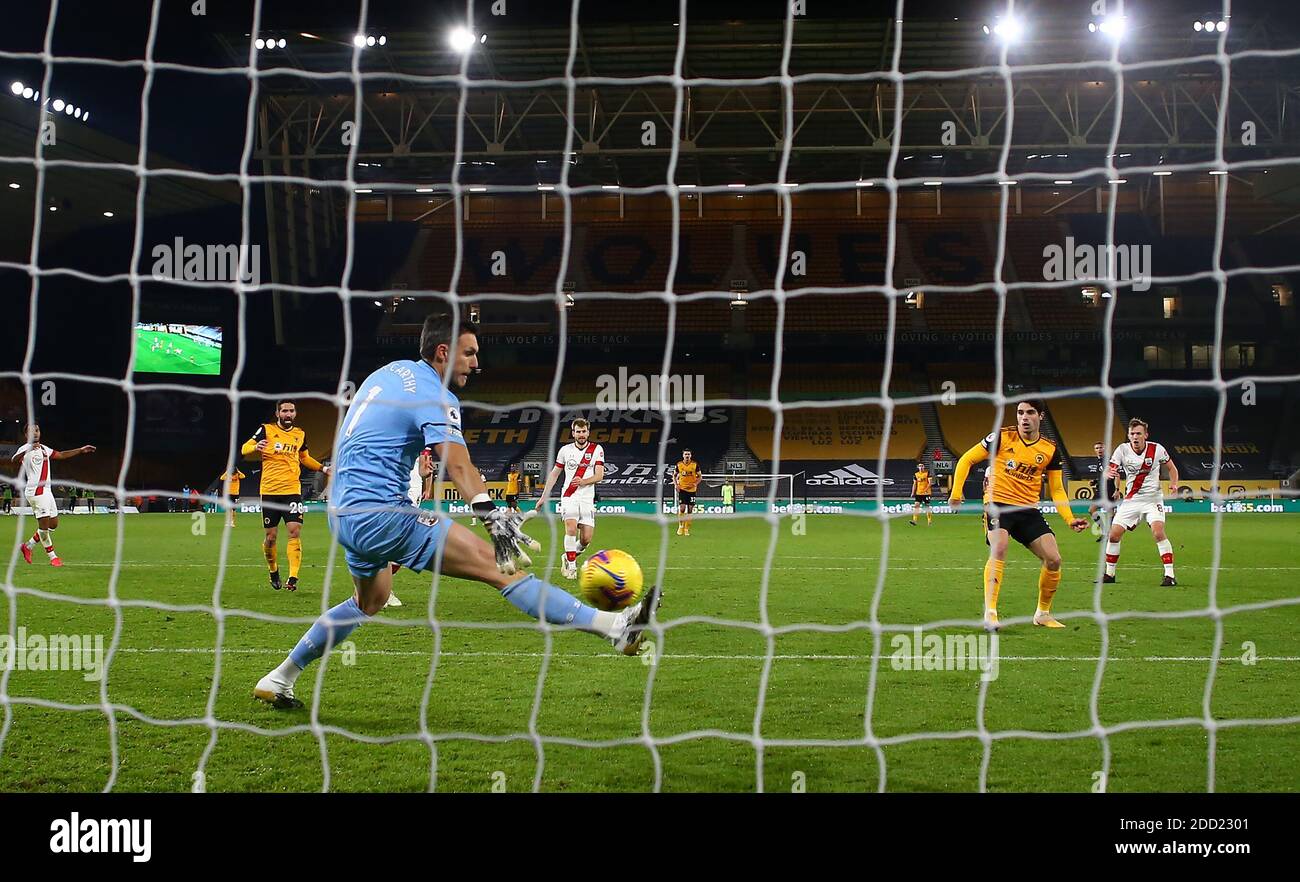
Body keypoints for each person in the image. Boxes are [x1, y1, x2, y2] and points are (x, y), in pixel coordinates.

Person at [253, 313, 658, 709]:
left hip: (341, 512)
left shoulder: (388, 374)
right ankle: (615, 628)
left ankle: (280, 676)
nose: (476, 363)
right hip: (382, 514)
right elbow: (458, 465)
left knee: (369, 601)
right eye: (469, 353)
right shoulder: (434, 392)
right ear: (443, 352)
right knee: (500, 568)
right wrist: (492, 518)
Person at [949, 400, 1087, 631]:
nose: (1024, 417)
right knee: (999, 547)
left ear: (1040, 416)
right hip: (997, 503)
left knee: (1054, 559)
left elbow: (1057, 489)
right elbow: (967, 459)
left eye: (1030, 412)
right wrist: (955, 493)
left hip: (1027, 509)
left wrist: (1070, 519)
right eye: (1020, 412)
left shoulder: (1049, 449)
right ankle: (990, 613)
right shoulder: (1001, 438)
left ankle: (1042, 614)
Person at [241, 400, 328, 592]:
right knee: (271, 537)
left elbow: (304, 458)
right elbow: (244, 448)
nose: (288, 414)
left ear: (295, 413)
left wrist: (323, 468)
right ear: (278, 413)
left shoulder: (300, 434)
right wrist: (255, 447)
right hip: (270, 491)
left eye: (291, 411)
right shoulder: (266, 430)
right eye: (284, 411)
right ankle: (273, 571)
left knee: (294, 531)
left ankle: (293, 577)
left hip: (292, 491)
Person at [1103, 418, 1180, 587]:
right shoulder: (1122, 450)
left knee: (1158, 532)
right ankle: (1110, 574)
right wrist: (1109, 473)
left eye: (1138, 433)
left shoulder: (1157, 449)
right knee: (1114, 535)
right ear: (1128, 436)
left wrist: (1174, 483)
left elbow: (1172, 468)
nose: (1135, 437)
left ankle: (1170, 575)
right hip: (1132, 500)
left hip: (1153, 499)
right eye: (1132, 434)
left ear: (1146, 435)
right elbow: (1111, 468)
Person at [10, 424, 96, 567]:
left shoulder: (44, 449)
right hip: (36, 492)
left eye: (37, 430)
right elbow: (14, 460)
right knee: (43, 527)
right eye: (31, 431)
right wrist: (27, 450)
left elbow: (61, 454)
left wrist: (80, 450)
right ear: (26, 435)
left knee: (53, 524)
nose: (35, 433)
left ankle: (28, 546)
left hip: (47, 491)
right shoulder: (24, 449)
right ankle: (53, 557)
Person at [534, 419, 605, 579]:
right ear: (573, 433)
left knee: (586, 539)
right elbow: (554, 474)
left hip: (587, 497)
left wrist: (583, 481)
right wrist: (543, 497)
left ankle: (567, 556)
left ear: (588, 432)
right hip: (569, 495)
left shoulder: (597, 449)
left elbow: (600, 475)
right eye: (578, 432)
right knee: (571, 528)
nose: (581, 434)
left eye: (584, 431)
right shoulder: (565, 450)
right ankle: (572, 567)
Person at [674, 449, 700, 536]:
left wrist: (695, 484)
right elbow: (674, 475)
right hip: (682, 489)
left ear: (691, 455)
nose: (687, 456)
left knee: (690, 510)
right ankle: (680, 526)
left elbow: (700, 477)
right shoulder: (679, 465)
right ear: (683, 456)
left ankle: (686, 528)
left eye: (688, 454)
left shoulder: (695, 465)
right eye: (685, 454)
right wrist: (676, 485)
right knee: (682, 508)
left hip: (692, 490)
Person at [909, 462, 933, 527]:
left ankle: (929, 520)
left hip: (926, 493)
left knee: (927, 507)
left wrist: (925, 490)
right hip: (918, 493)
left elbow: (930, 483)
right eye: (920, 466)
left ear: (924, 467)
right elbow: (914, 484)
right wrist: (913, 492)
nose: (921, 467)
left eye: (922, 466)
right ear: (918, 467)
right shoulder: (916, 474)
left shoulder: (927, 473)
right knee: (916, 506)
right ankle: (914, 521)